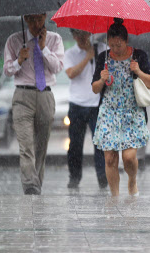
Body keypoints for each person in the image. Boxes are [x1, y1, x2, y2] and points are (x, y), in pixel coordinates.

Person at [92, 18, 150, 197]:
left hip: (132, 112)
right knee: (110, 159)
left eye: (119, 45)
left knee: (128, 158)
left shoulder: (139, 56)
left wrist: (138, 71)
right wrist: (101, 79)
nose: (115, 49)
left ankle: (132, 180)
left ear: (126, 41)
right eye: (112, 45)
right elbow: (95, 89)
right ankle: (114, 196)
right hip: (109, 112)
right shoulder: (103, 58)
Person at [3, 13, 64, 195]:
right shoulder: (14, 41)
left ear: (45, 17)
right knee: (26, 144)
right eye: (32, 20)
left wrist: (44, 48)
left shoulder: (55, 39)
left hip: (45, 95)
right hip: (23, 95)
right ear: (25, 20)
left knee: (41, 145)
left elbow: (58, 67)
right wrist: (19, 60)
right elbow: (7, 70)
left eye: (40, 19)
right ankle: (30, 185)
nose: (36, 24)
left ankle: (36, 183)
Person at [64, 29, 107, 189]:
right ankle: (74, 176)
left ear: (90, 33)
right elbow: (71, 73)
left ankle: (103, 176)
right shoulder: (70, 53)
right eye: (77, 35)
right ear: (73, 36)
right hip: (77, 104)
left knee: (100, 142)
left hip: (96, 103)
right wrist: (87, 58)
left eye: (84, 34)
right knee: (75, 144)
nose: (81, 38)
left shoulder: (102, 48)